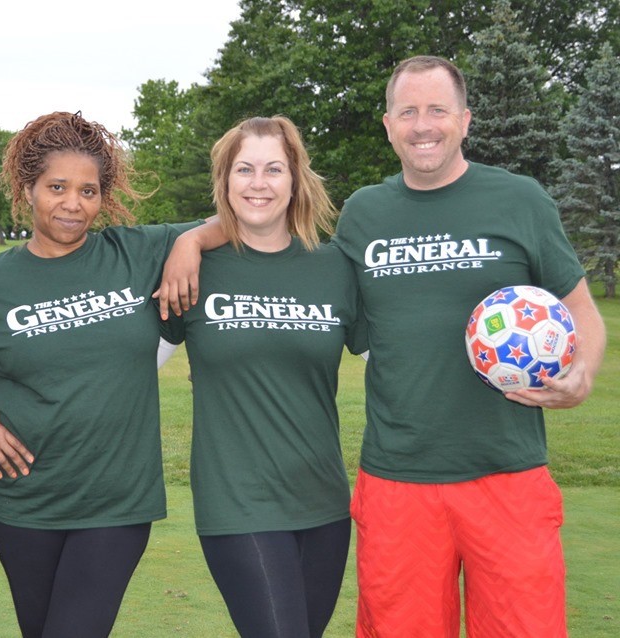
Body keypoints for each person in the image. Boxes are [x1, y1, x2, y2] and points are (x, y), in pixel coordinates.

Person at [329, 56, 606, 637]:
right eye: (408, 111)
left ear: (465, 120)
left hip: (506, 474)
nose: (423, 125)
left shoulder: (520, 200)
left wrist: (583, 373)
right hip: (398, 479)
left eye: (438, 110)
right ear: (387, 124)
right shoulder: (362, 214)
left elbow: (580, 307)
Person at [0, 111, 199, 637]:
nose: (74, 204)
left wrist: (187, 244)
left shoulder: (135, 253)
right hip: (22, 502)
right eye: (57, 187)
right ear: (28, 189)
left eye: (89, 191)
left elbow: (232, 220)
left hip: (117, 502)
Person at [159, 116, 364, 637]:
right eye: (244, 169)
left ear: (295, 179)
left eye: (274, 169)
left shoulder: (336, 266)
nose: (259, 182)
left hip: (323, 502)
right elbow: (132, 368)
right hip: (237, 502)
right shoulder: (192, 266)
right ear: (225, 181)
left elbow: (392, 362)